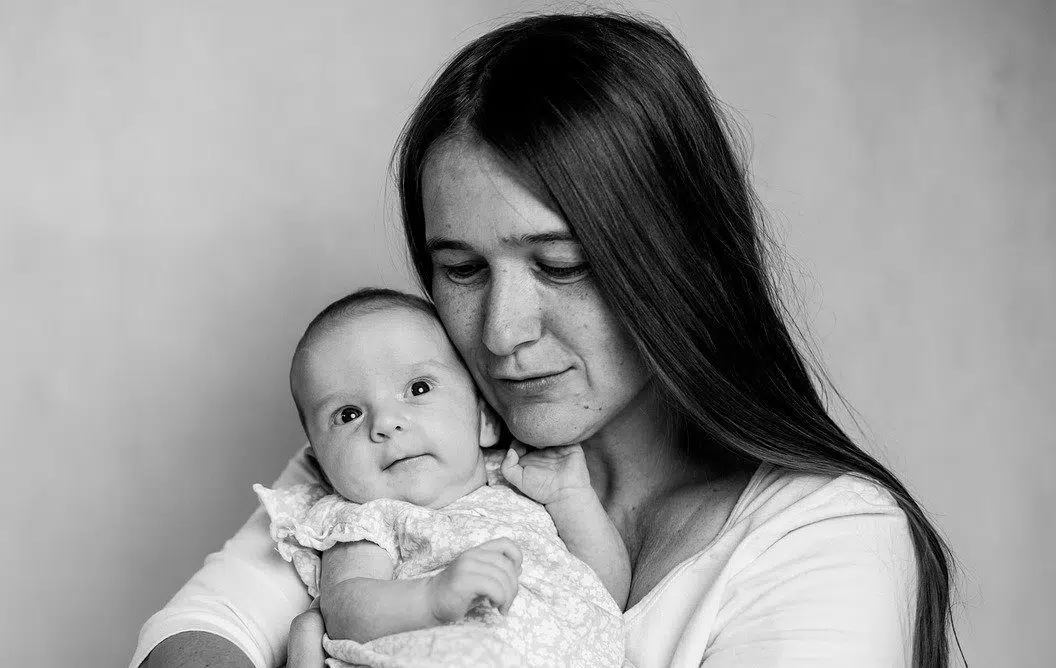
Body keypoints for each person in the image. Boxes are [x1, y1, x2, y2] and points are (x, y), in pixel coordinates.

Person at [131, 11, 957, 668]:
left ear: (678, 255)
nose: (501, 332)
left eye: (561, 265)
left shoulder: (824, 540)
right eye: (460, 269)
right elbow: (199, 634)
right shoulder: (405, 445)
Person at [254, 287, 624, 667]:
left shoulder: (522, 484)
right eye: (348, 415)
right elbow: (345, 611)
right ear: (322, 468)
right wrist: (432, 598)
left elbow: (605, 592)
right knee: (314, 627)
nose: (386, 423)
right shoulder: (370, 518)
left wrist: (573, 498)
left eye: (418, 388)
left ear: (485, 420)